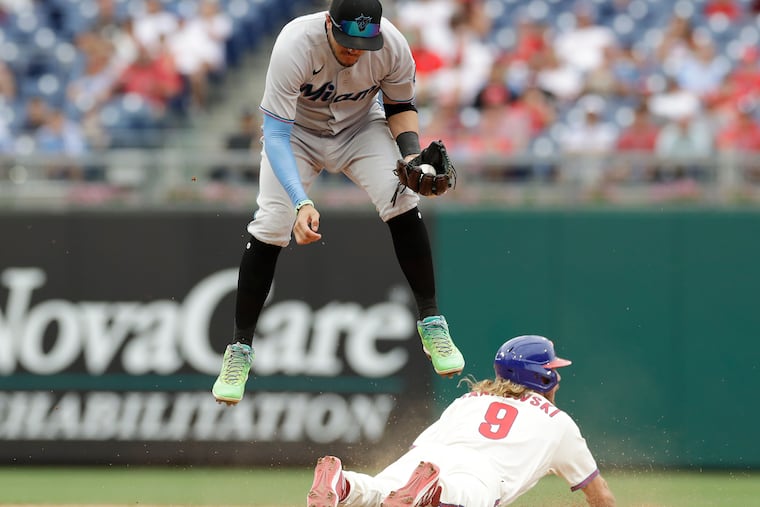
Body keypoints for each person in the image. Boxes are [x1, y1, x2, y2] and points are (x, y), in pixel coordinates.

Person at [211, 0, 465, 405]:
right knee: (272, 222)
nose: (354, 51)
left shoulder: (393, 46)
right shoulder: (295, 43)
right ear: (329, 23)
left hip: (361, 128)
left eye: (363, 43)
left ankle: (432, 321)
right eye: (346, 41)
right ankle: (239, 349)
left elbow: (400, 106)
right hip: (296, 135)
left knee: (402, 197)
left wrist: (412, 155)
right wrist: (300, 201)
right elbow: (275, 135)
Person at [306, 335, 616, 507]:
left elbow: (420, 448)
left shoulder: (468, 400)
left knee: (381, 490)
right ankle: (434, 492)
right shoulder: (558, 423)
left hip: (426, 461)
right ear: (542, 376)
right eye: (553, 368)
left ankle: (343, 483)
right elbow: (599, 496)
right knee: (460, 496)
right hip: (478, 473)